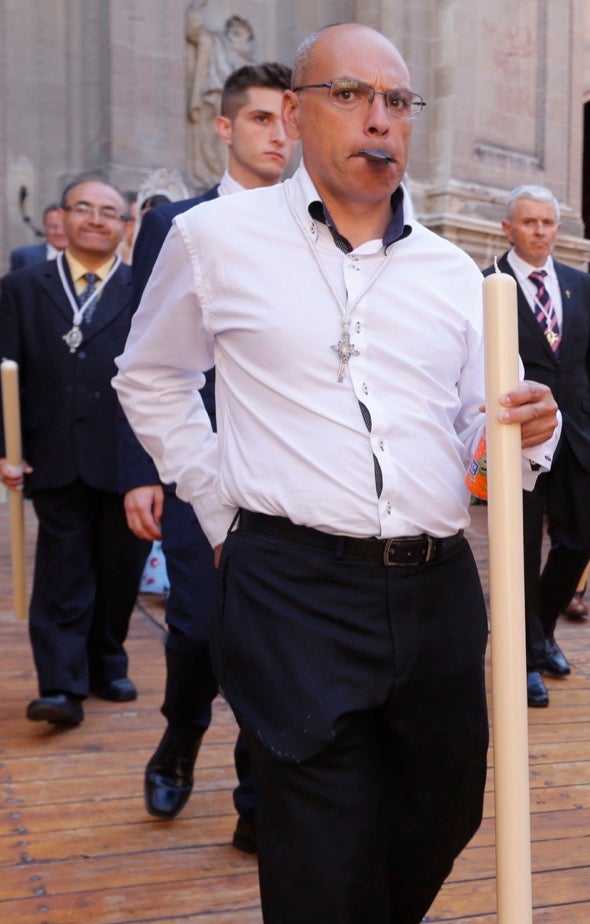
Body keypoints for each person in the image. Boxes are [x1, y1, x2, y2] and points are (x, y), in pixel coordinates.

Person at [113, 23, 560, 924]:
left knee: (444, 811)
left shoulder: (457, 273)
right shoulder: (213, 239)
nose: (379, 119)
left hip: (438, 586)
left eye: (398, 102)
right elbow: (151, 376)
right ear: (298, 110)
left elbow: (469, 426)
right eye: (353, 94)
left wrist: (517, 430)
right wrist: (223, 506)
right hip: (294, 590)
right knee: (317, 863)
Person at [118, 60, 292, 840]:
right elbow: (141, 355)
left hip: (288, 472)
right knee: (195, 628)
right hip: (196, 469)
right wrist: (141, 475)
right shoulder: (176, 224)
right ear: (224, 128)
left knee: (276, 642)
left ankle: (259, 797)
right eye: (261, 119)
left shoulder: (319, 227)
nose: (279, 135)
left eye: (290, 117)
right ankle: (182, 733)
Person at [0, 180, 147, 728]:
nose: (96, 218)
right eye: (84, 207)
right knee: (63, 572)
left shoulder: (144, 288)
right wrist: (5, 449)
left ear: (123, 226)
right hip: (52, 450)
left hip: (126, 457)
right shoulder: (21, 286)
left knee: (119, 569)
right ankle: (61, 686)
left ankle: (106, 661)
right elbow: (3, 370)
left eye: (110, 212)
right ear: (61, 217)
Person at [488, 184, 590, 707]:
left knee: (581, 537)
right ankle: (522, 661)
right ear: (508, 228)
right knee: (519, 551)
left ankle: (540, 633)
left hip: (579, 438)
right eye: (529, 222)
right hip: (516, 441)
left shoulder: (580, 285)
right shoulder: (486, 284)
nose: (540, 231)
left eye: (548, 223)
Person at [7, 204, 67, 272]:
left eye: (65, 226)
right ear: (44, 228)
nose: (59, 232)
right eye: (53, 227)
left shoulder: (81, 258)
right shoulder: (24, 257)